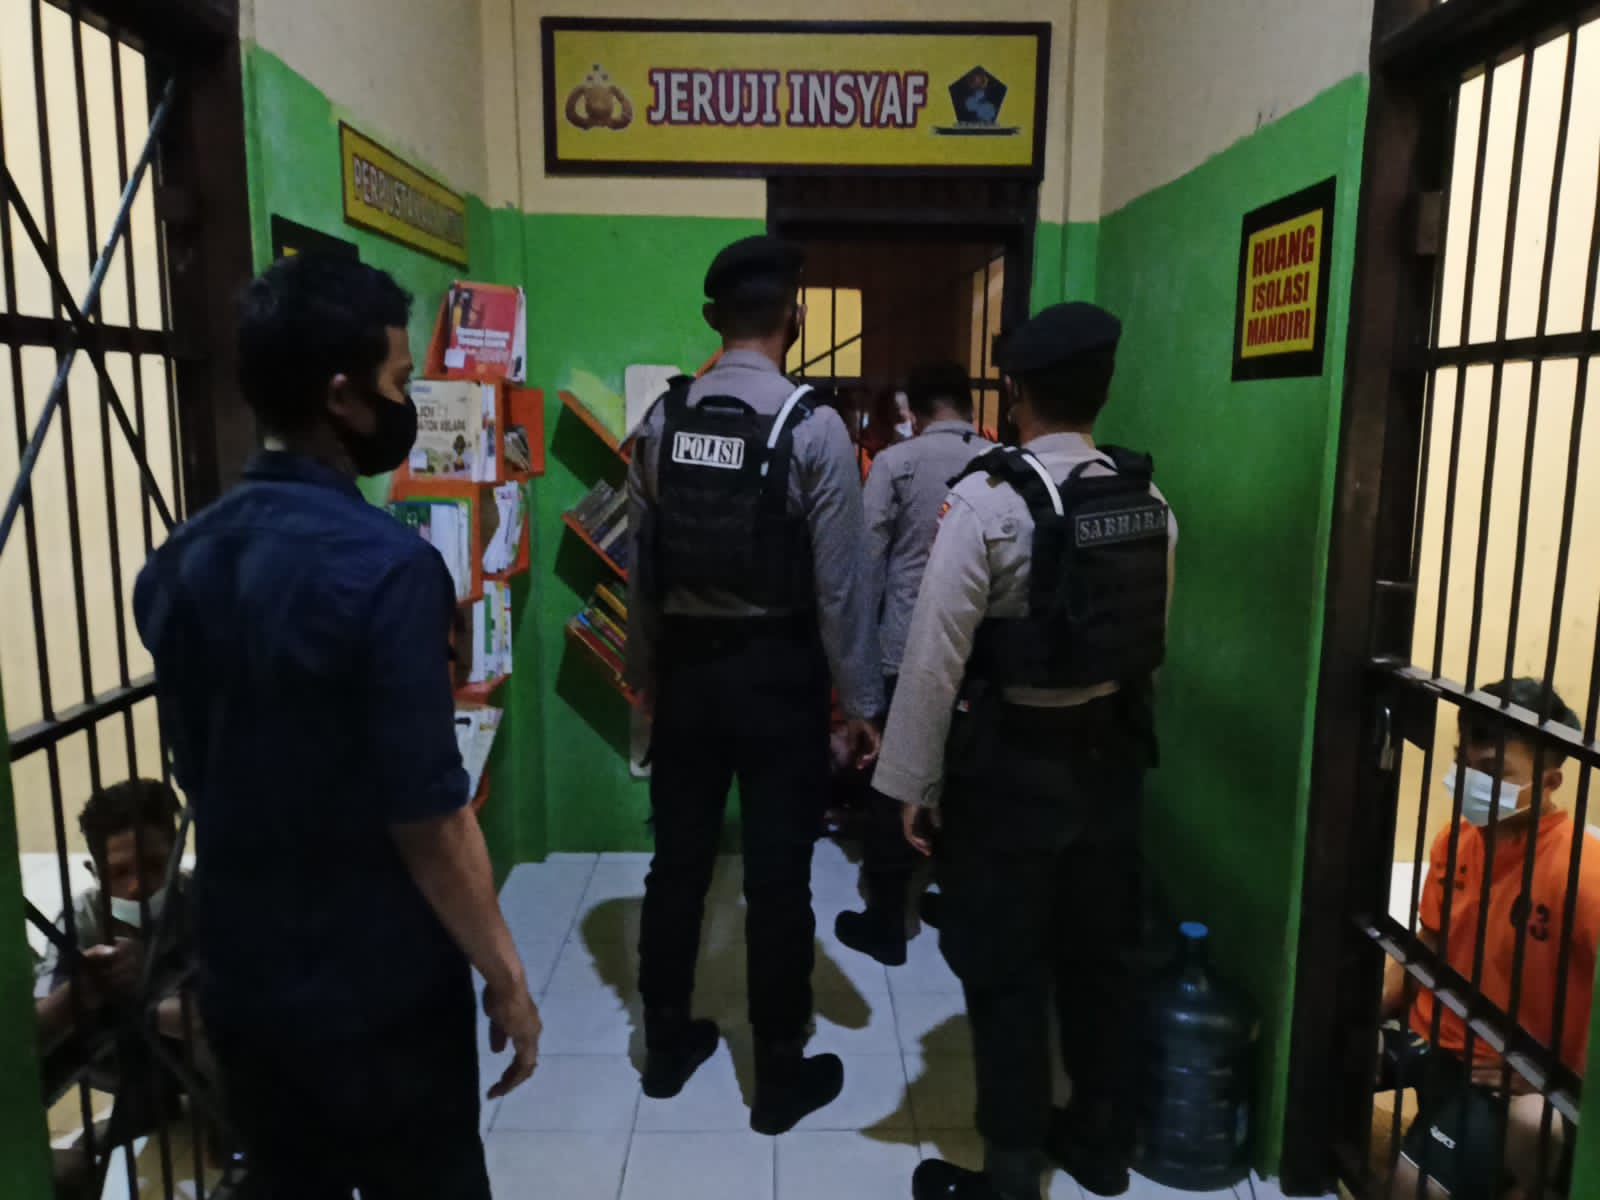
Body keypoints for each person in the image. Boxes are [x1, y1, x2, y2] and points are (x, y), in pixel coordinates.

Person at [133, 254, 541, 1200]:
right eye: (398, 380)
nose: (407, 403)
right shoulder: (389, 571)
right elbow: (430, 820)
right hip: (378, 991)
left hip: (243, 973)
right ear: (343, 398)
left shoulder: (176, 563)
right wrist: (506, 976)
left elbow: (198, 764)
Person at [874, 302, 1176, 1200]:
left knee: (1005, 969)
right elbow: (1150, 641)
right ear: (1103, 391)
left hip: (1010, 770)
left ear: (1016, 394)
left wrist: (912, 785)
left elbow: (934, 658)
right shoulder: (1147, 501)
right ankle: (1100, 1146)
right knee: (1099, 962)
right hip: (1111, 764)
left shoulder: (988, 501)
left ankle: (1010, 1170)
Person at [626, 235, 884, 1135]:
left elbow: (643, 570)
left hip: (688, 678)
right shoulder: (814, 428)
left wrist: (643, 677)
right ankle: (777, 1079)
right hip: (778, 681)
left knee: (678, 867)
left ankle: (665, 1049)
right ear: (794, 318)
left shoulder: (663, 421)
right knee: (779, 881)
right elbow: (842, 588)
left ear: (713, 319)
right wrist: (860, 706)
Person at [1381, 678, 1594, 1200]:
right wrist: (1358, 1007)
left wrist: (1558, 1077)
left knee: (1412, 1188)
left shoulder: (1583, 874)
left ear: (1550, 782)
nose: (1469, 781)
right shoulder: (1454, 840)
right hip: (1430, 1033)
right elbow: (1429, 945)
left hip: (1499, 1073)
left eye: (1494, 771)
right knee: (1312, 1058)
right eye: (1463, 762)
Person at [835, 361, 994, 966]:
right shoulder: (1001, 462)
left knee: (893, 779)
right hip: (979, 650)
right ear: (968, 404)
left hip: (905, 645)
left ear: (916, 409)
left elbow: (866, 561)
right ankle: (957, 903)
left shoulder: (897, 463)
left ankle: (886, 920)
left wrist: (855, 660)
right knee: (965, 779)